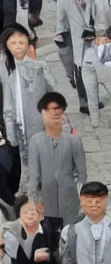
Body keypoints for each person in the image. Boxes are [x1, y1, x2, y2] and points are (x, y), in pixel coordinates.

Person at [1, 24, 55, 173]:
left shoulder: (39, 65)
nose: (17, 46)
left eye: (21, 42)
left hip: (34, 123)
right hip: (9, 123)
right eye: (13, 42)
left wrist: (35, 63)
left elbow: (52, 90)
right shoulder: (3, 68)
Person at [27, 92, 87, 226]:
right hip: (46, 202)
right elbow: (34, 177)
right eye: (49, 111)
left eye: (57, 110)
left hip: (70, 201)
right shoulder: (36, 141)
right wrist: (33, 203)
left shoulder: (74, 141)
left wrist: (81, 201)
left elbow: (82, 175)